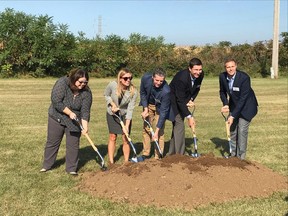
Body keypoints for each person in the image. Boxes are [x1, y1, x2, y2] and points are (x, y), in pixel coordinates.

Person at [40, 68, 92, 175]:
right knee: (52, 142)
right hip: (57, 115)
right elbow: (56, 101)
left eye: (85, 82)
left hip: (75, 120)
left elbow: (85, 111)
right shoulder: (62, 83)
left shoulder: (86, 92)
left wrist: (85, 127)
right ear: (74, 79)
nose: (82, 84)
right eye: (80, 82)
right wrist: (69, 113)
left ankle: (71, 169)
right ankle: (47, 166)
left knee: (73, 145)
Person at [219, 58, 258, 160]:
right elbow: (222, 92)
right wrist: (226, 104)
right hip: (234, 105)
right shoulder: (222, 77)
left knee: (241, 131)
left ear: (236, 66)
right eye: (228, 67)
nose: (230, 69)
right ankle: (233, 155)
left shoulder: (244, 78)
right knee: (232, 130)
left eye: (232, 66)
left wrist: (232, 115)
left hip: (247, 107)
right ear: (225, 68)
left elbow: (243, 99)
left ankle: (240, 158)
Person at [168, 58, 204, 155]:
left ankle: (172, 153)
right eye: (196, 70)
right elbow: (179, 100)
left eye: (200, 69)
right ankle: (180, 155)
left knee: (177, 127)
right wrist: (189, 116)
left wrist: (191, 99)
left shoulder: (200, 75)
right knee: (179, 124)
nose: (198, 72)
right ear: (190, 69)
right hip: (173, 100)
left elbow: (196, 89)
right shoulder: (182, 78)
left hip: (183, 98)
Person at [104, 68, 138, 164]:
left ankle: (126, 162)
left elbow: (130, 109)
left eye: (130, 78)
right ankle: (111, 162)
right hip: (112, 113)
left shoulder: (133, 91)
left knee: (125, 138)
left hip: (124, 114)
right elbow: (106, 95)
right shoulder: (112, 85)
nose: (128, 80)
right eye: (126, 78)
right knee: (112, 136)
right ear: (120, 78)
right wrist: (112, 104)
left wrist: (127, 126)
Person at [139, 68, 174, 159]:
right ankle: (145, 154)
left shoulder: (166, 91)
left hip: (160, 108)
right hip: (148, 105)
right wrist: (145, 109)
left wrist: (156, 132)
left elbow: (163, 113)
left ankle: (158, 156)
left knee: (159, 131)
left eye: (161, 81)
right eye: (156, 80)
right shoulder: (145, 79)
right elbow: (142, 93)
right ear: (152, 77)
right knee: (146, 128)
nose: (158, 83)